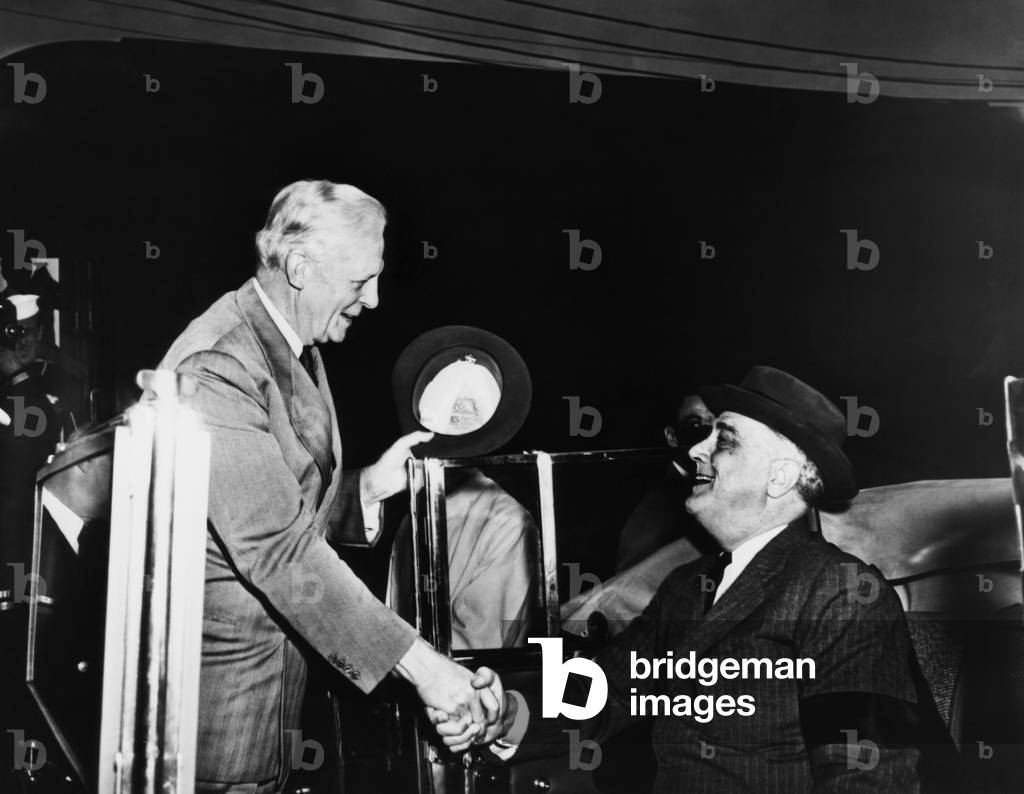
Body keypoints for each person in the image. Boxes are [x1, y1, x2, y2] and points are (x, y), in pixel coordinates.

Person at [159, 180, 496, 793]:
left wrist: (366, 489)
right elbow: (278, 550)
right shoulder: (217, 365)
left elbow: (270, 502)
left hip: (267, 705)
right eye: (359, 281)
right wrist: (423, 667)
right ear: (298, 265)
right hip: (214, 724)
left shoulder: (289, 341)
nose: (373, 299)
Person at [441, 366, 925, 792]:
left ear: (780, 477)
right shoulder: (686, 587)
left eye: (725, 439)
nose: (696, 449)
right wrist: (508, 712)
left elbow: (866, 776)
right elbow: (599, 694)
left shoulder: (841, 593)